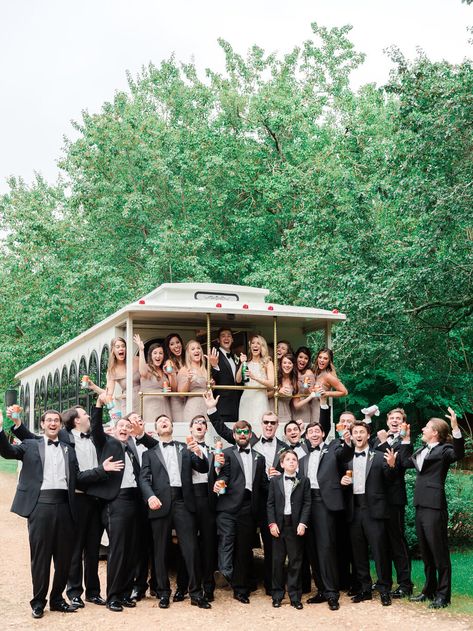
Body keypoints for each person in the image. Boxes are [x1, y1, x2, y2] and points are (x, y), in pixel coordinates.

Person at [0, 409, 122, 619]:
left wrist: (102, 469)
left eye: (56, 420)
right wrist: (1, 428)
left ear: (60, 424)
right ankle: (38, 602)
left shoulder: (68, 449)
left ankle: (57, 599)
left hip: (66, 505)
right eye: (49, 420)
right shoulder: (30, 445)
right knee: (41, 557)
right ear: (43, 424)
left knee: (64, 558)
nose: (53, 423)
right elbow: (7, 452)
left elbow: (79, 476)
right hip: (40, 506)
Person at [89, 394, 154, 612]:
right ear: (114, 429)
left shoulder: (134, 450)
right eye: (121, 426)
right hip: (116, 501)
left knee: (132, 549)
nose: (124, 428)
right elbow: (96, 428)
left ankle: (126, 592)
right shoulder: (106, 442)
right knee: (117, 549)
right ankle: (113, 596)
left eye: (128, 426)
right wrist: (99, 405)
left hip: (135, 501)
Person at [139, 414, 211, 609]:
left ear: (172, 427)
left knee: (191, 549)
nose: (164, 422)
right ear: (156, 428)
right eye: (161, 421)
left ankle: (196, 593)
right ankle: (163, 592)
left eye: (167, 421)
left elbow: (203, 468)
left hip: (183, 502)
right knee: (160, 550)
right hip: (159, 502)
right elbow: (143, 479)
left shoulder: (185, 448)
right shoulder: (149, 453)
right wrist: (150, 496)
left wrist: (198, 453)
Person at [399, 408, 465, 609]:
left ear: (435, 432)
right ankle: (429, 590)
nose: (423, 429)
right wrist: (406, 440)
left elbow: (459, 453)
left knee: (439, 552)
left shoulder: (445, 450)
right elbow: (403, 462)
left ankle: (443, 596)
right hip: (420, 505)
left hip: (435, 506)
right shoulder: (421, 450)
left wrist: (455, 428)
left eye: (427, 427)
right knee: (426, 552)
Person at [340, 421, 397, 607]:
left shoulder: (379, 456)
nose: (358, 435)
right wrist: (343, 482)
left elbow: (390, 481)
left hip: (374, 511)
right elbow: (340, 486)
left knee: (380, 552)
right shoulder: (347, 459)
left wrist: (391, 466)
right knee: (359, 553)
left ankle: (384, 590)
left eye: (361, 432)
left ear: (368, 435)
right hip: (354, 510)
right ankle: (365, 589)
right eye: (355, 432)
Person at [301, 420, 354, 611]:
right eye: (310, 431)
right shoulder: (302, 455)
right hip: (306, 503)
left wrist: (348, 442)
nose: (314, 434)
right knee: (312, 549)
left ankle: (332, 593)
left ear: (323, 434)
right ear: (306, 436)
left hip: (325, 502)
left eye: (317, 431)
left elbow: (346, 454)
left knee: (326, 548)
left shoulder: (334, 449)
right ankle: (322, 590)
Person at [213, 420, 268, 604]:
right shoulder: (226, 454)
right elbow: (223, 474)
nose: (242, 435)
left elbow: (263, 484)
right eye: (239, 432)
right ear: (234, 436)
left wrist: (279, 483)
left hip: (248, 508)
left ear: (250, 434)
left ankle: (240, 589)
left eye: (245, 432)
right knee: (226, 539)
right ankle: (225, 573)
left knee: (244, 549)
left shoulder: (260, 458)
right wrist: (219, 476)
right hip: (228, 506)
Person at [175, 414, 223, 602]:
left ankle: (208, 587)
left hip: (208, 499)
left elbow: (219, 474)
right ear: (190, 428)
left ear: (206, 429)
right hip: (188, 498)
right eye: (196, 423)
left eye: (203, 423)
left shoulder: (214, 451)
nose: (200, 425)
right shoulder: (181, 449)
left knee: (209, 546)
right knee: (187, 546)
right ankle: (182, 587)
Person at [373, 408, 414, 598]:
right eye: (392, 418)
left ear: (404, 422)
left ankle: (405, 584)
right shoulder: (378, 438)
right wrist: (381, 441)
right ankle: (384, 582)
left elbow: (402, 466)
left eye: (399, 418)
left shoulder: (404, 442)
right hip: (377, 498)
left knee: (397, 542)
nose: (395, 421)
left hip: (394, 499)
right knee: (381, 543)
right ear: (387, 421)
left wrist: (383, 443)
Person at [267, 449, 311, 609]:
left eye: (294, 459)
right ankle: (277, 595)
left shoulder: (304, 481)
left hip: (295, 525)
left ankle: (295, 596)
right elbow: (270, 504)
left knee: (295, 562)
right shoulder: (274, 481)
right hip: (279, 525)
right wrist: (272, 523)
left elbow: (307, 503)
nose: (291, 461)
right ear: (282, 464)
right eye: (288, 459)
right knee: (277, 562)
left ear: (297, 463)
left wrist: (303, 523)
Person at [237, 335, 274, 427]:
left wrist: (255, 377)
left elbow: (271, 384)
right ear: (250, 346)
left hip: (260, 399)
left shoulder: (268, 363)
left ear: (262, 347)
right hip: (246, 399)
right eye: (253, 343)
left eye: (258, 343)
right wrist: (243, 363)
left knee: (260, 425)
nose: (255, 345)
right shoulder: (247, 363)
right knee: (245, 426)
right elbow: (238, 380)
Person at [135, 335, 172, 423]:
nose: (158, 356)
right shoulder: (147, 368)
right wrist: (141, 350)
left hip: (164, 405)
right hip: (151, 406)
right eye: (155, 353)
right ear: (150, 355)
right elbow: (143, 372)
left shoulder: (164, 370)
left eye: (160, 353)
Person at [209, 328, 241, 423]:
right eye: (223, 336)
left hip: (237, 405)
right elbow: (212, 380)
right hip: (223, 406)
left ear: (232, 339)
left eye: (229, 336)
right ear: (218, 340)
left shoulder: (235, 356)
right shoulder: (214, 355)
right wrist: (214, 365)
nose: (226, 338)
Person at [105, 336, 141, 414]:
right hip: (128, 403)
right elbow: (109, 394)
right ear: (113, 350)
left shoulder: (136, 360)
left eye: (123, 346)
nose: (121, 349)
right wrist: (110, 405)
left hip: (142, 399)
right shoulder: (112, 370)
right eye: (117, 347)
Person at [178, 340, 209, 422]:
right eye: (193, 349)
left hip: (206, 405)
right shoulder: (184, 369)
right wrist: (188, 380)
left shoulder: (205, 370)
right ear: (188, 354)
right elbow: (181, 394)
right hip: (193, 405)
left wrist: (211, 385)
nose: (196, 350)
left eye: (198, 348)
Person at [164, 333, 186, 422]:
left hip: (189, 398)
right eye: (172, 344)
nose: (176, 346)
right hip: (177, 401)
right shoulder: (169, 363)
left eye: (178, 342)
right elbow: (173, 389)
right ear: (168, 347)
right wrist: (172, 375)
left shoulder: (187, 359)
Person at [294, 346, 316, 423]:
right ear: (296, 358)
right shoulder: (292, 370)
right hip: (291, 407)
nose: (303, 360)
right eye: (300, 357)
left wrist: (305, 387)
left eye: (306, 358)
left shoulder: (308, 373)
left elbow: (311, 394)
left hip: (303, 408)